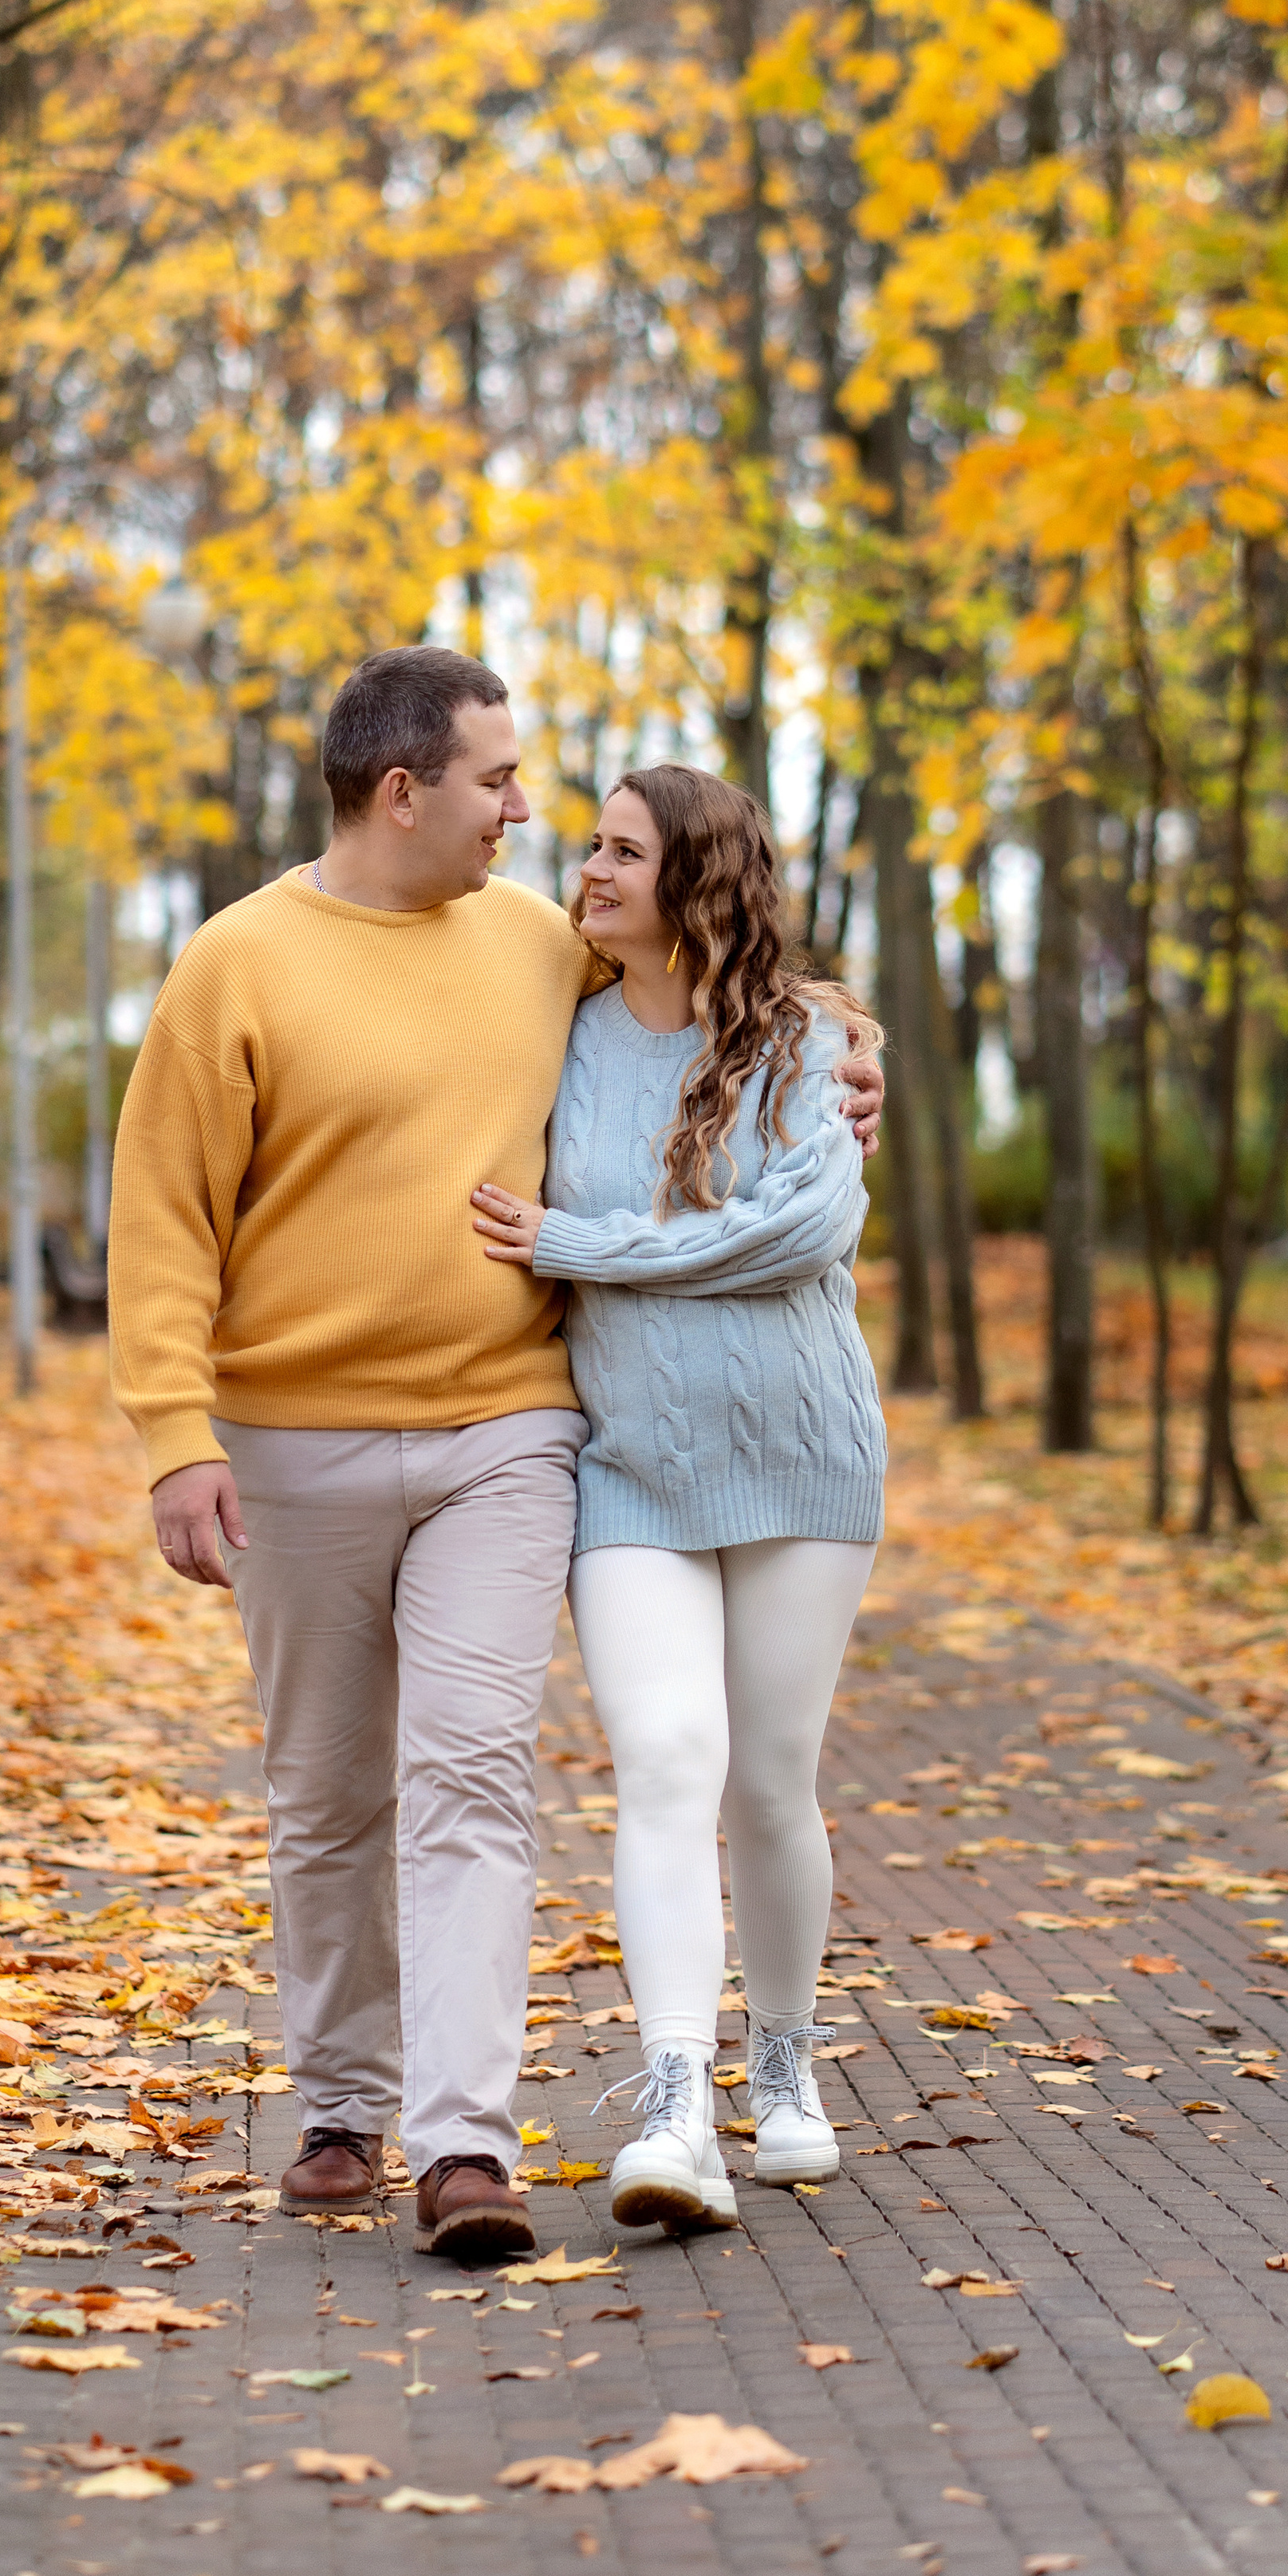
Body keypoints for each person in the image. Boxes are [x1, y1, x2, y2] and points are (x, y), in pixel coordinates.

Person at [108, 649, 881, 2263]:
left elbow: (722, 994)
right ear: (403, 792)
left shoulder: (541, 944)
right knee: (324, 1793)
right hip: (294, 1438)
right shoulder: (234, 965)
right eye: (495, 782)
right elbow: (162, 1221)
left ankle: (462, 2146)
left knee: (467, 1772)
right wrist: (177, 1440)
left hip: (509, 1430)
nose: (525, 812)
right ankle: (339, 2101)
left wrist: (845, 1043)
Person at [470, 764, 886, 2235]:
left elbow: (807, 1227)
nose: (589, 869)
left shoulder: (799, 1043)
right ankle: (671, 2097)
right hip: (631, 1465)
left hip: (800, 1460)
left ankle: (785, 2070)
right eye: (588, 844)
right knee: (662, 1758)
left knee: (770, 1782)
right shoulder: (561, 1040)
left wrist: (582, 1246)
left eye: (623, 851)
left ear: (695, 880)